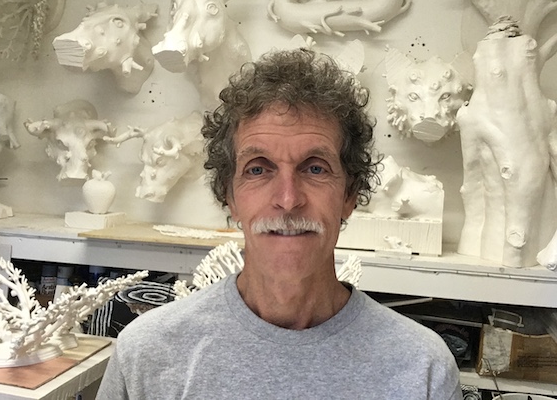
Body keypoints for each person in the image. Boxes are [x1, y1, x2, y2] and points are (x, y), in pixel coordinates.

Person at [96, 48, 462, 399]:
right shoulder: (146, 356)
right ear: (230, 195)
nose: (288, 199)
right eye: (258, 169)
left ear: (349, 194)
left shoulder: (422, 369)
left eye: (315, 168)